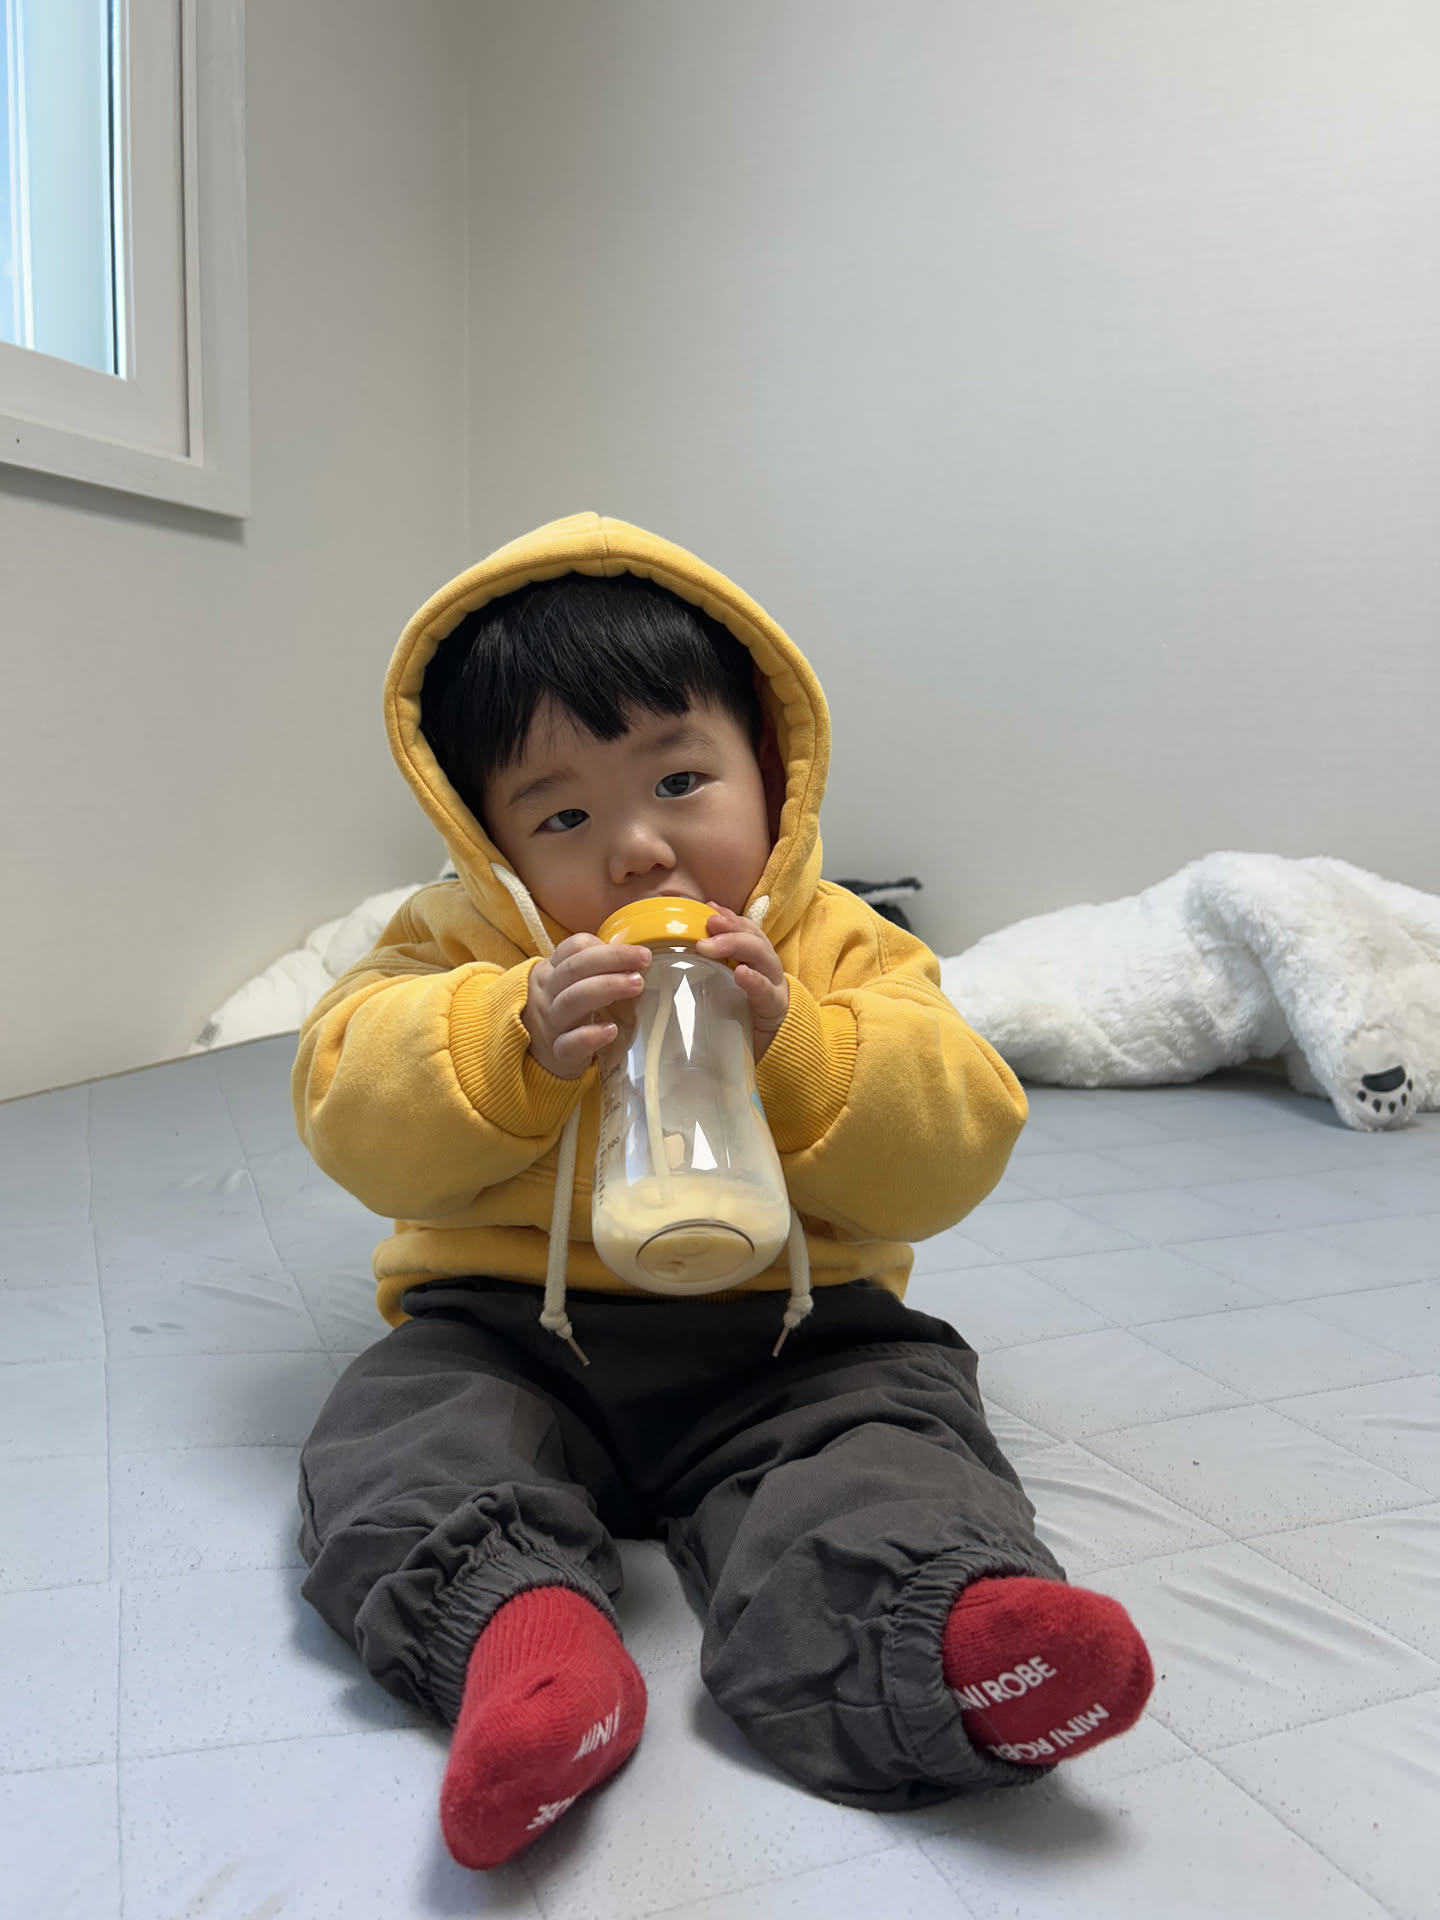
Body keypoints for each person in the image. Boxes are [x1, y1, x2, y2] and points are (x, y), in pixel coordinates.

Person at [292, 512, 1154, 1871]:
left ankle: (941, 1641)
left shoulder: (843, 945)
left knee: (885, 1451)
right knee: (400, 1433)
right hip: (513, 1334)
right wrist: (506, 1037)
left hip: (798, 1345)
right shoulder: (454, 945)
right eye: (563, 815)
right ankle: (526, 1647)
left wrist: (802, 1044)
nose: (638, 849)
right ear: (486, 839)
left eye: (681, 780)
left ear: (773, 771)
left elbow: (958, 1142)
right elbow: (349, 1109)